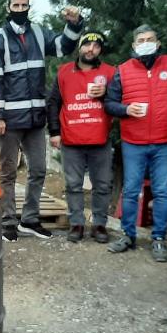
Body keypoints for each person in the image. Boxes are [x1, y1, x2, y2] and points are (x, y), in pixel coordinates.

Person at [0, 0, 83, 242]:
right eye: (15, 6)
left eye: (24, 5)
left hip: (35, 118)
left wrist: (73, 24)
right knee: (7, 172)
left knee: (38, 169)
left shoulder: (39, 33)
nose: (20, 10)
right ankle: (7, 222)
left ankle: (30, 219)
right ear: (8, 7)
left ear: (29, 6)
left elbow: (63, 47)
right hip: (9, 119)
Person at [104, 25, 167, 262]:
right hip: (133, 142)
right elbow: (110, 103)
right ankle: (127, 235)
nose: (146, 43)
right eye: (141, 40)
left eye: (150, 39)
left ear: (158, 44)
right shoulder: (123, 70)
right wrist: (126, 109)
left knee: (161, 192)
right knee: (130, 191)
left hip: (164, 141)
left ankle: (158, 239)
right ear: (134, 46)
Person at [46, 31, 116, 243]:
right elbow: (53, 103)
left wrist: (105, 94)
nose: (90, 50)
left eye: (96, 47)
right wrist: (55, 132)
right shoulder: (64, 72)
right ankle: (76, 223)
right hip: (71, 140)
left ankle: (99, 225)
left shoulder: (110, 73)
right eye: (87, 45)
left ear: (100, 50)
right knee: (73, 185)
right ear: (80, 47)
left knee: (102, 185)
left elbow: (119, 101)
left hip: (100, 139)